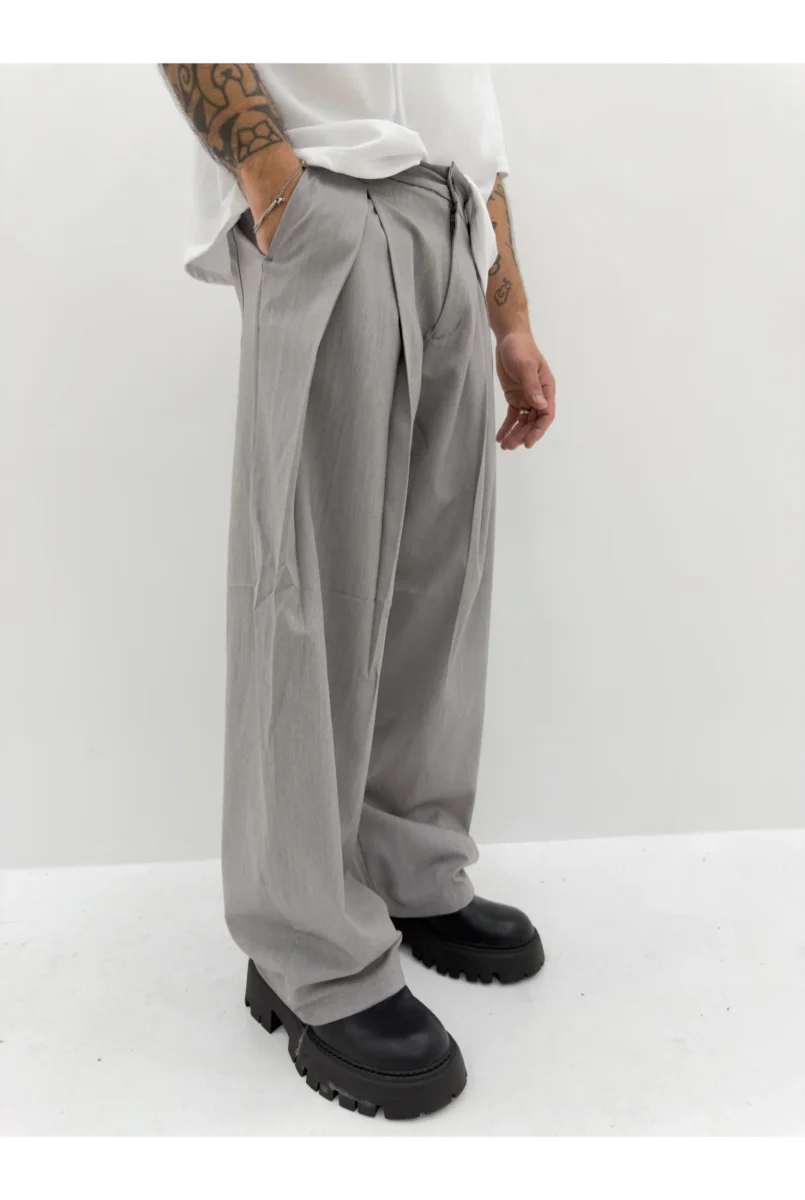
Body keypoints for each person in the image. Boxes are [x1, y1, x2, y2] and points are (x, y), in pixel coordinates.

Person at [160, 63, 556, 1120]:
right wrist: (275, 186)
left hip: (449, 217)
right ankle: (304, 945)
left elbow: (465, 98)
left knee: (438, 589)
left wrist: (509, 309)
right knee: (308, 591)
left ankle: (405, 868)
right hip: (321, 191)